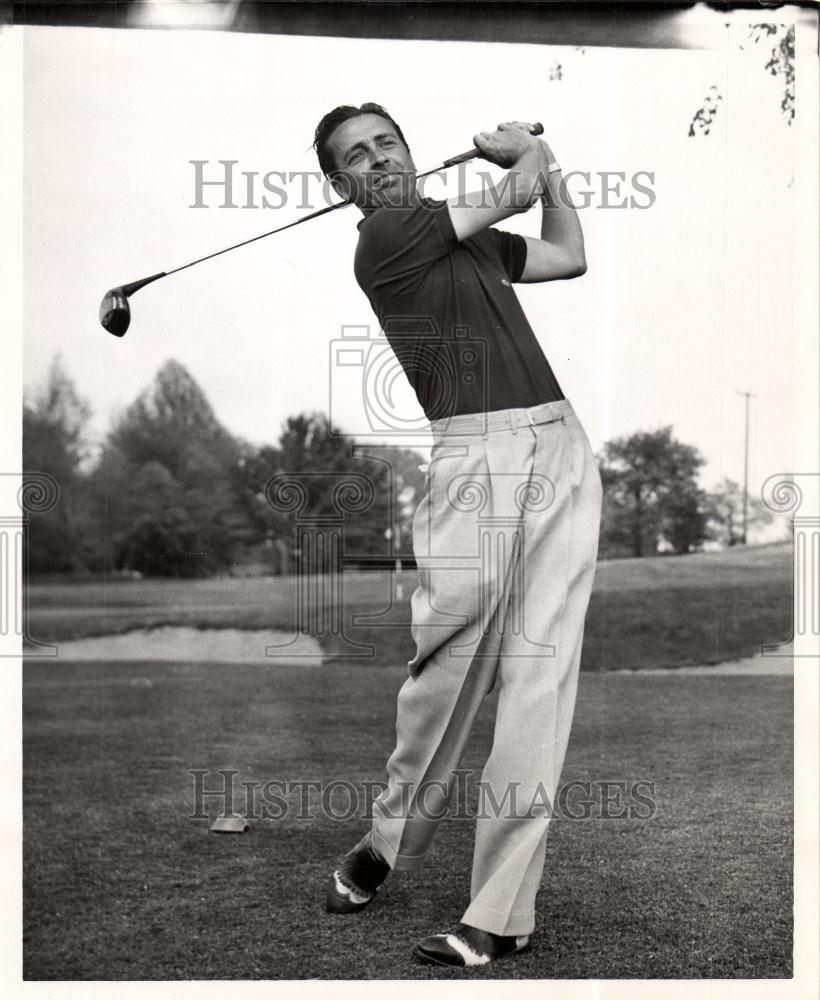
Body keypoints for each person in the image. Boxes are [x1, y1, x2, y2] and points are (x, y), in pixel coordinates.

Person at [313, 103, 602, 968]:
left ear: (408, 151)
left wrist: (544, 169)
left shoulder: (459, 239)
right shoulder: (388, 236)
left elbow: (567, 253)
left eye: (387, 143)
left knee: (538, 680)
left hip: (558, 441)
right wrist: (535, 154)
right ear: (342, 188)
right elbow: (515, 188)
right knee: (443, 674)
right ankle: (385, 841)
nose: (379, 160)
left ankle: (499, 914)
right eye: (355, 158)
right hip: (475, 459)